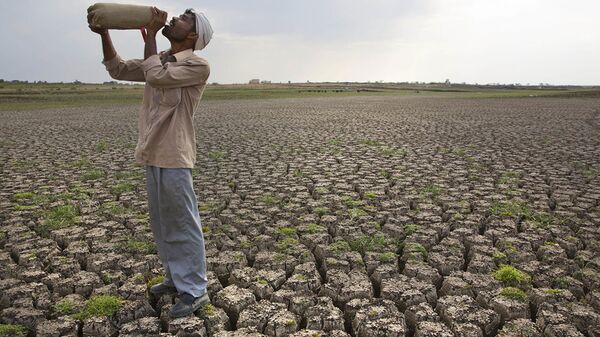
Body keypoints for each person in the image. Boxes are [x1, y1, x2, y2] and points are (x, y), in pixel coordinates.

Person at [88, 7, 214, 318]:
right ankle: (175, 279)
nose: (174, 18)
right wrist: (105, 33)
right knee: (163, 223)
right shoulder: (160, 59)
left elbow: (155, 76)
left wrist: (152, 38)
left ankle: (196, 291)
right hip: (153, 152)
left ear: (194, 34)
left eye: (184, 18)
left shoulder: (197, 65)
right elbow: (117, 69)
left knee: (183, 223)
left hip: (174, 153)